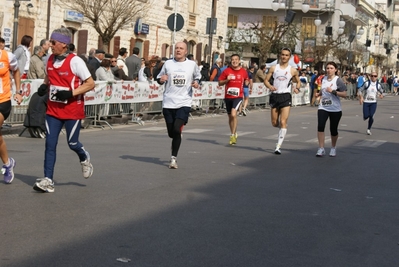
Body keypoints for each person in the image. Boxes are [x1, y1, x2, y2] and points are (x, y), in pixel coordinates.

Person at [33, 27, 95, 193]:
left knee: (72, 143)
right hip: (53, 110)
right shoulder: (50, 59)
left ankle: (84, 157)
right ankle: (48, 180)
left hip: (72, 110)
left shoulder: (75, 62)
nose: (50, 45)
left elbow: (90, 83)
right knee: (50, 143)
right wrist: (44, 86)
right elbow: (49, 76)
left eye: (53, 42)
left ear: (64, 44)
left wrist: (70, 93)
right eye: (50, 42)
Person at [156, 42, 201, 169]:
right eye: (176, 48)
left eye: (181, 48)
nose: (178, 50)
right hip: (168, 102)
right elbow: (158, 78)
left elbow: (198, 77)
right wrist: (161, 79)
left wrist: (196, 83)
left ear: (186, 51)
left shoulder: (192, 65)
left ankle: (173, 159)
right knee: (172, 133)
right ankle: (177, 136)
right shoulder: (168, 64)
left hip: (184, 102)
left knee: (176, 129)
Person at [264, 47, 300, 154]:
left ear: (289, 57)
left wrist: (297, 88)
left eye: (286, 55)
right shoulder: (274, 68)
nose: (284, 57)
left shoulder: (292, 70)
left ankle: (278, 146)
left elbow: (298, 82)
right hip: (275, 96)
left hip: (286, 96)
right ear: (280, 55)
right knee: (275, 123)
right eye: (282, 54)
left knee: (283, 121)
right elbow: (266, 80)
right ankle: (282, 129)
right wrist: (270, 86)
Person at [0, 37, 23, 184]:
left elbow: (16, 71)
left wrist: (18, 91)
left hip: (3, 101)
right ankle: (8, 164)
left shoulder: (7, 56)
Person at [315, 61, 347, 157]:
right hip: (323, 107)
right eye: (327, 68)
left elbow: (345, 94)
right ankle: (321, 148)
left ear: (335, 70)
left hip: (335, 109)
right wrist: (319, 94)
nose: (329, 70)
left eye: (331, 68)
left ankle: (333, 147)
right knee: (320, 126)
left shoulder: (338, 80)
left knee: (333, 129)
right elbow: (323, 90)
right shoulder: (323, 79)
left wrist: (333, 91)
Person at [218, 54, 248, 145]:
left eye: (236, 60)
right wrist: (227, 80)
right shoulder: (227, 71)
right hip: (228, 97)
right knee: (230, 117)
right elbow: (220, 83)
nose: (234, 61)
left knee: (234, 114)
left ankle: (232, 135)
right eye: (232, 60)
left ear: (239, 61)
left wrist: (247, 82)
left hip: (238, 96)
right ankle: (233, 133)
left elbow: (247, 79)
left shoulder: (243, 71)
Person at [358, 71, 384, 135]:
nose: (373, 77)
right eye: (372, 76)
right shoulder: (367, 83)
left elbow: (382, 92)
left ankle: (368, 129)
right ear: (370, 76)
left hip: (373, 103)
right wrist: (361, 97)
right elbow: (360, 90)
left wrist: (381, 95)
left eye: (375, 76)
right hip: (366, 102)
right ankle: (366, 116)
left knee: (371, 116)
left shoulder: (378, 85)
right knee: (366, 115)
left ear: (377, 77)